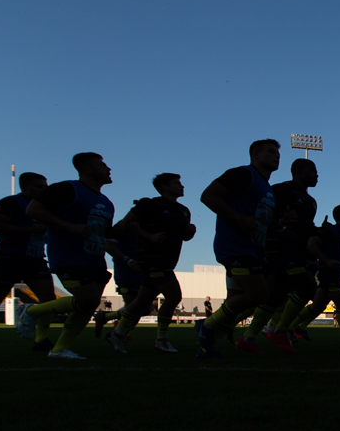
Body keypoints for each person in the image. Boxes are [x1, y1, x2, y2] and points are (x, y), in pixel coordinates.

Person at [15, 153, 116, 359]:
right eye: (102, 165)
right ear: (86, 169)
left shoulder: (106, 202)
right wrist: (68, 226)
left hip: (95, 258)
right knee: (86, 300)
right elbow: (33, 210)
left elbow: (105, 234)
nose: (108, 169)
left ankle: (59, 349)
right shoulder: (68, 189)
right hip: (69, 256)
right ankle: (32, 312)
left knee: (87, 305)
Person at [195, 139, 280, 359]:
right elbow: (208, 196)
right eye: (270, 152)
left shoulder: (267, 188)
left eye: (278, 152)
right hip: (235, 245)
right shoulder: (244, 174)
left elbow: (261, 222)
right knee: (259, 294)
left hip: (252, 250)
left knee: (238, 300)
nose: (277, 156)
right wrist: (239, 218)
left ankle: (209, 346)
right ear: (255, 155)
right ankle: (207, 325)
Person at [101, 173, 196, 354]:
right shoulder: (149, 205)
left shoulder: (183, 210)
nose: (182, 186)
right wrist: (148, 236)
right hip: (152, 258)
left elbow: (185, 237)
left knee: (141, 303)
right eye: (177, 183)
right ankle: (161, 339)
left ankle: (117, 334)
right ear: (164, 186)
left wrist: (190, 231)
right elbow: (123, 226)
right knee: (174, 296)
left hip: (169, 260)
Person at [0, 172, 56, 354]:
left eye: (46, 186)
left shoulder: (46, 207)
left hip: (35, 259)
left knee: (48, 299)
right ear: (26, 187)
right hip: (7, 258)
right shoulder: (11, 202)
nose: (44, 190)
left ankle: (41, 340)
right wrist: (31, 230)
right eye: (40, 186)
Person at [239, 159, 320, 355]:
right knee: (308, 287)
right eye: (313, 171)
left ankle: (248, 338)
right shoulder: (281, 190)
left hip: (295, 249)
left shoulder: (310, 201)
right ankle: (280, 330)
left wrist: (321, 232)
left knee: (275, 295)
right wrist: (281, 225)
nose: (317, 175)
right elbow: (264, 215)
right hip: (279, 248)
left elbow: (306, 228)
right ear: (299, 172)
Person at [293, 204, 340, 341]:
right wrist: (326, 261)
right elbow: (311, 244)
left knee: (318, 305)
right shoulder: (331, 231)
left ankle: (294, 328)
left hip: (336, 272)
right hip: (328, 271)